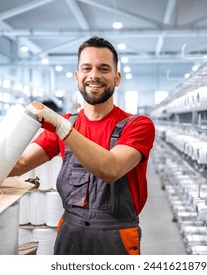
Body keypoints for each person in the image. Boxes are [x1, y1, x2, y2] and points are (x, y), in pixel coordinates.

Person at [9, 36, 155, 255]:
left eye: (104, 69)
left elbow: (111, 169)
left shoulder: (137, 125)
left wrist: (61, 126)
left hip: (115, 237)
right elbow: (19, 163)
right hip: (70, 233)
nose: (94, 75)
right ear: (77, 77)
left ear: (117, 78)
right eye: (86, 68)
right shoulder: (67, 123)